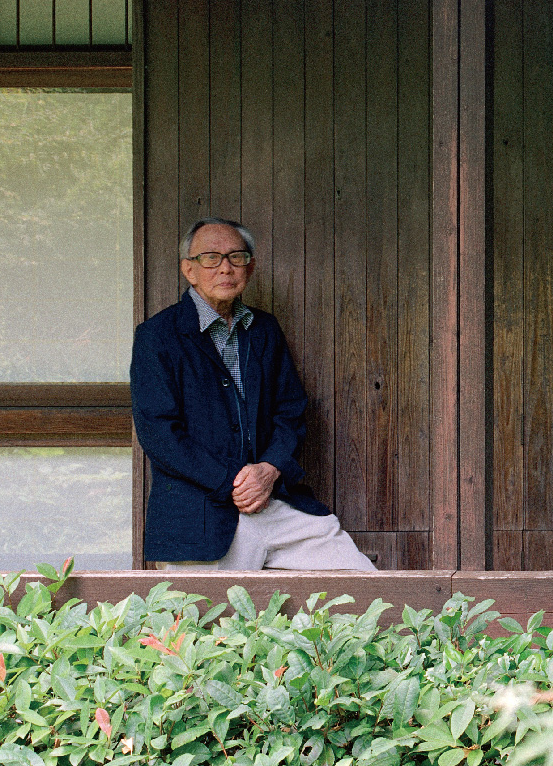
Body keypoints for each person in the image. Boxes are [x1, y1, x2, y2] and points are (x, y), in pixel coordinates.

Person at [130, 217, 377, 572]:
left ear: (251, 266)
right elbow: (159, 434)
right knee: (207, 625)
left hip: (273, 504)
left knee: (362, 581)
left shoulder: (264, 329)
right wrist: (234, 480)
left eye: (237, 257)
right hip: (199, 517)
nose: (225, 268)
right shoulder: (157, 336)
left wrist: (269, 469)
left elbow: (290, 411)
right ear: (189, 270)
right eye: (211, 258)